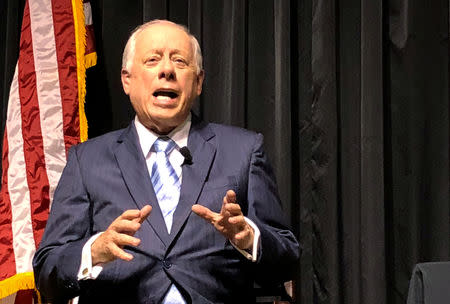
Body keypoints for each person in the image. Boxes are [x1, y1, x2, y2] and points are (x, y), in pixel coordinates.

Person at [33, 20, 300, 304]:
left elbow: (287, 259)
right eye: (152, 59)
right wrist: (93, 251)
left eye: (180, 61)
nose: (167, 70)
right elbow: (47, 271)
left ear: (198, 82)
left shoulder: (243, 150)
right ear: (127, 80)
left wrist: (250, 239)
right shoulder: (86, 161)